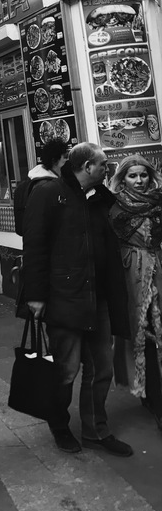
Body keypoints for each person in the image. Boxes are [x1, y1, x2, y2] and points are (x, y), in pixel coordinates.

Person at [22, 142, 132, 456]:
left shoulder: (101, 199)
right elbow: (35, 245)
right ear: (86, 167)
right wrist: (36, 296)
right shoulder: (48, 193)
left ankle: (96, 430)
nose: (107, 169)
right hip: (63, 299)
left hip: (98, 298)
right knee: (66, 370)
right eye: (103, 164)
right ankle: (59, 426)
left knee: (101, 368)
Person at [109, 155, 162, 431]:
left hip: (159, 271)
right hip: (131, 275)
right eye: (133, 176)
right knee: (142, 333)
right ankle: (153, 394)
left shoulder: (158, 201)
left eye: (143, 175)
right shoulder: (114, 206)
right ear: (123, 178)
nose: (139, 181)